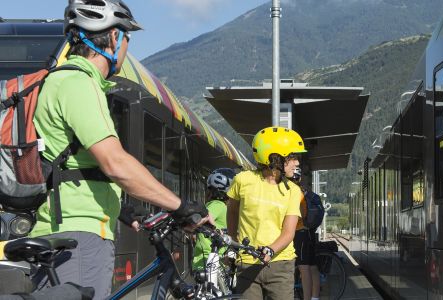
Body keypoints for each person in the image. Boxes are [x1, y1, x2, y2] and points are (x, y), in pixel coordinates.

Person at [29, 1, 211, 299]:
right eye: (128, 39)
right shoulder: (78, 82)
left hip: (70, 231)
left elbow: (73, 164)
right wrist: (181, 206)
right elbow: (115, 163)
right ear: (114, 38)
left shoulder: (69, 81)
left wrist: (125, 210)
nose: (127, 48)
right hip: (76, 237)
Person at [227, 127, 306, 300]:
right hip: (246, 263)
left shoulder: (293, 190)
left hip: (280, 265)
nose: (297, 163)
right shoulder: (243, 180)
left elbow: (288, 232)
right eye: (292, 157)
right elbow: (232, 212)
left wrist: (270, 250)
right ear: (275, 157)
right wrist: (233, 242)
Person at [192, 168, 236, 271]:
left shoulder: (215, 205)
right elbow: (206, 217)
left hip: (207, 261)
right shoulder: (220, 206)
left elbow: (203, 218)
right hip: (212, 261)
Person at [289, 167, 321, 300]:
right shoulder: (304, 191)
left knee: (304, 268)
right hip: (308, 233)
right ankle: (315, 297)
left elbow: (299, 214)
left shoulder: (295, 192)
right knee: (312, 266)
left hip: (300, 233)